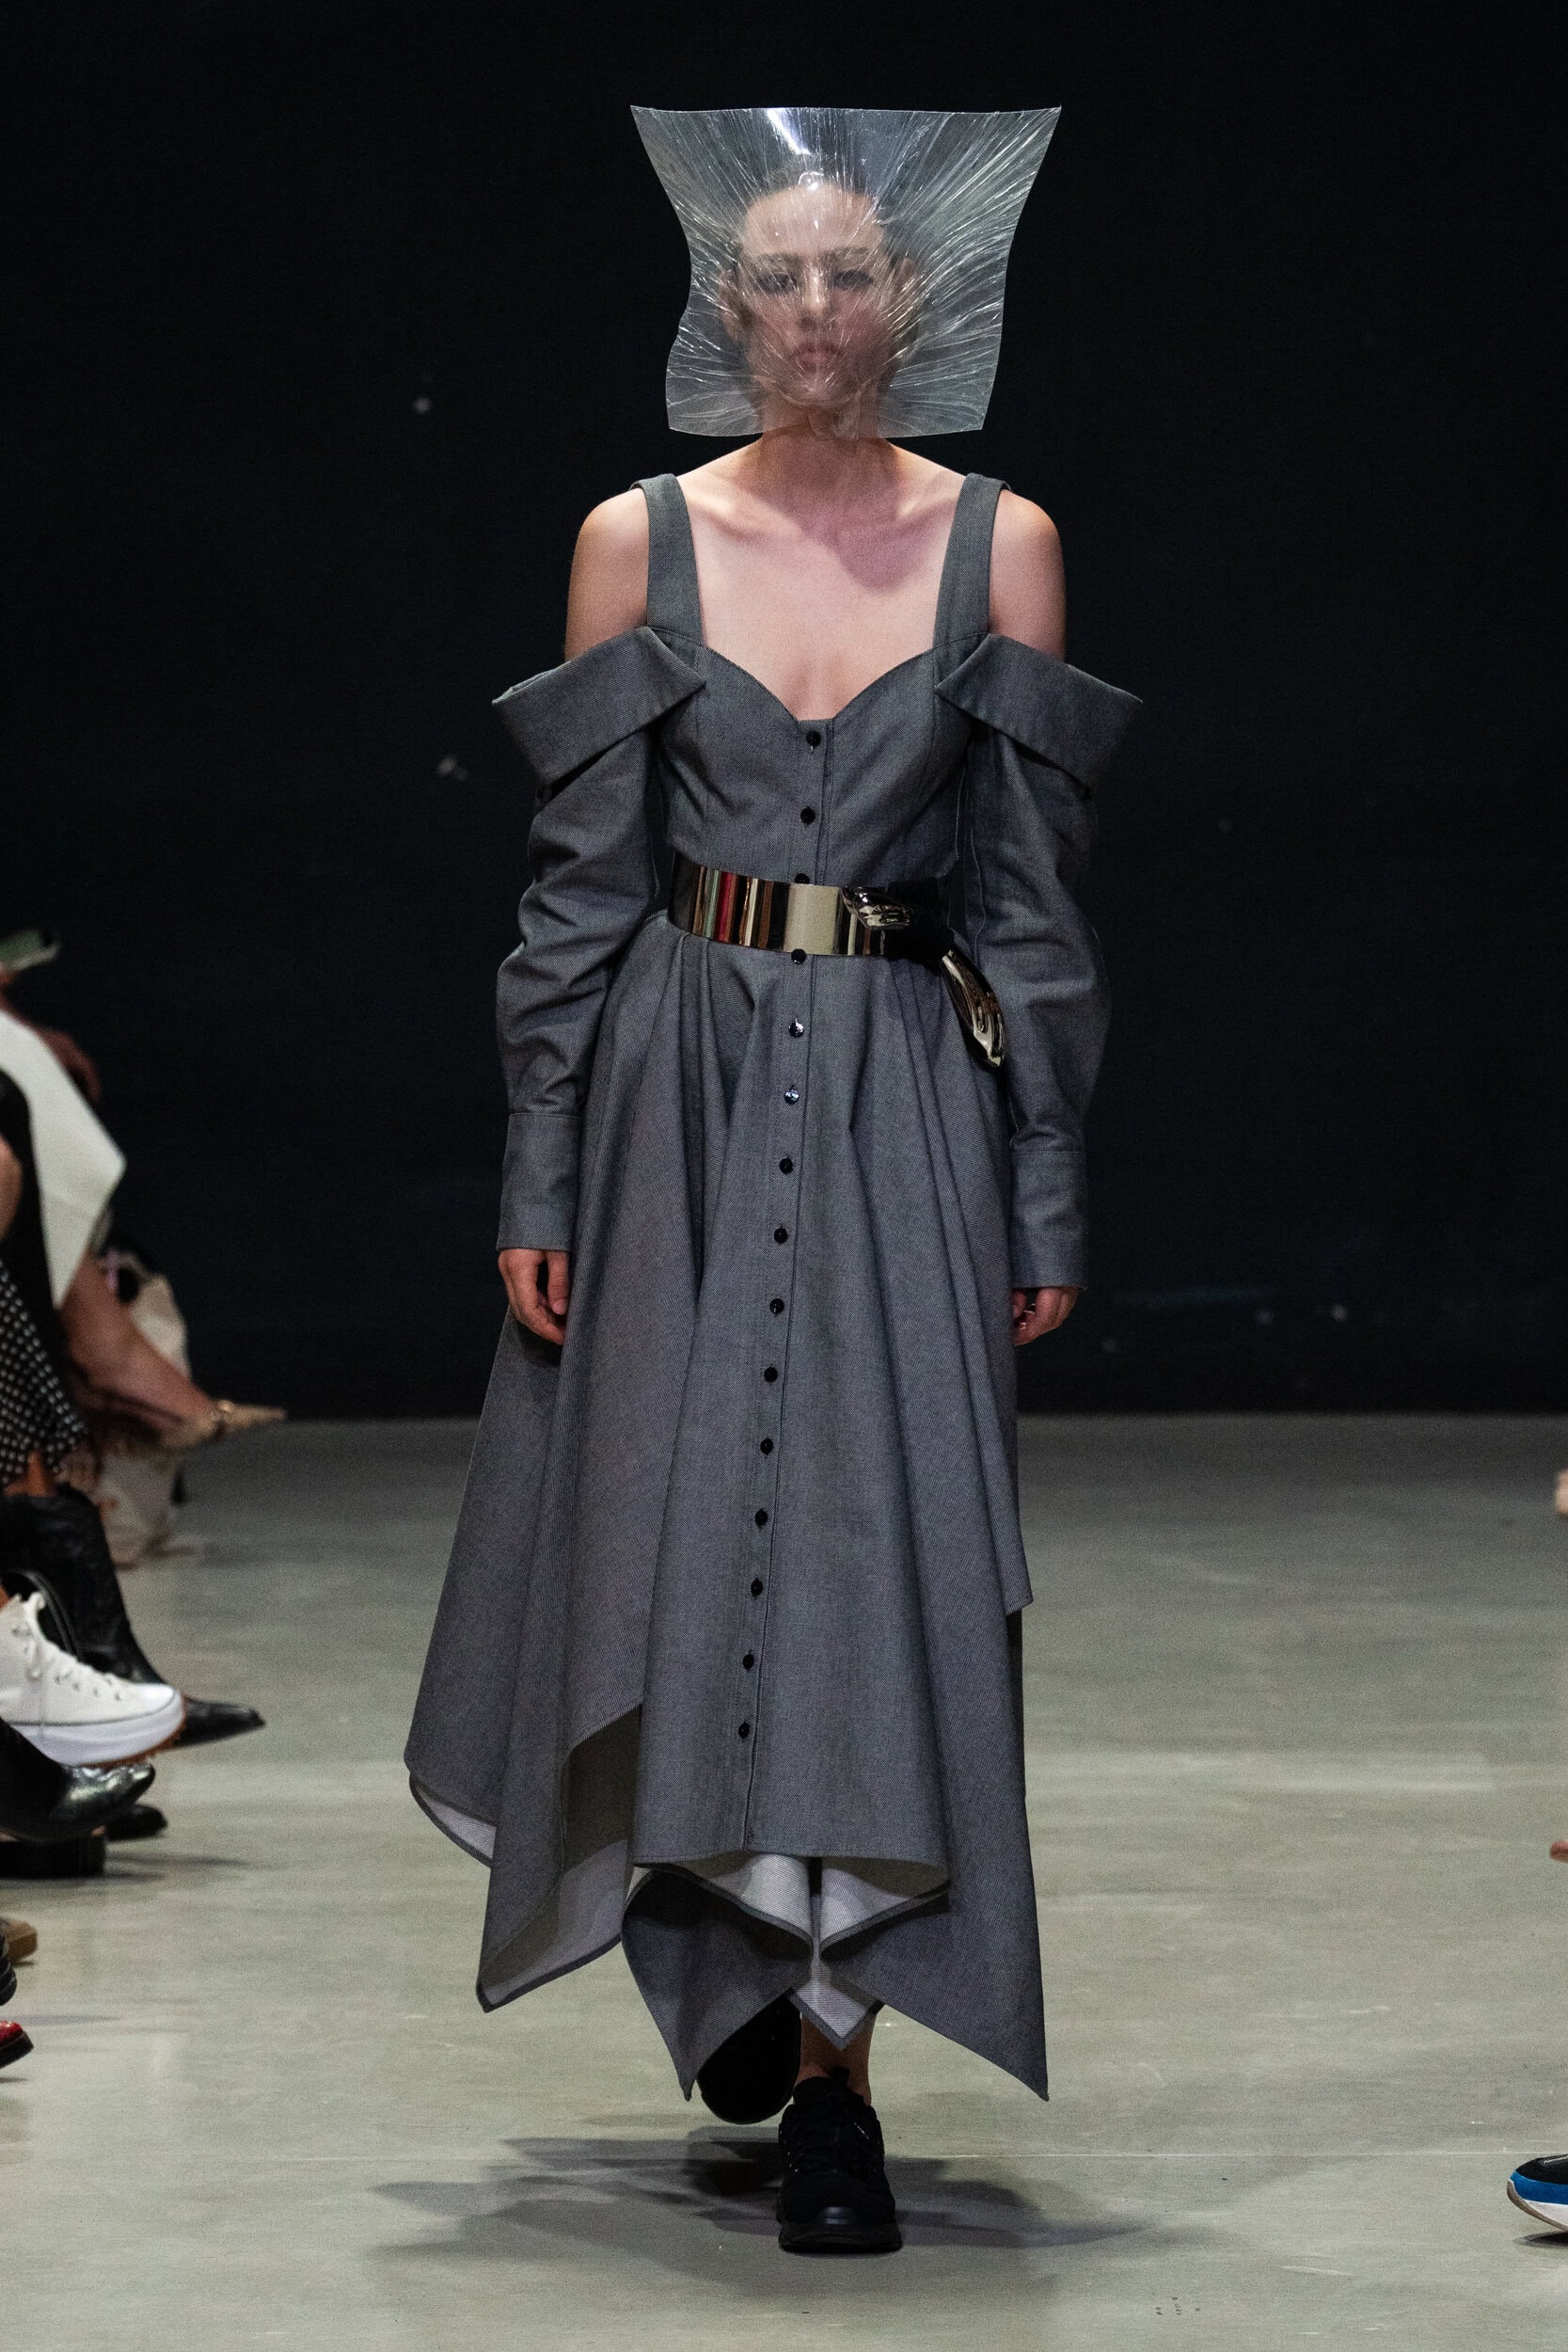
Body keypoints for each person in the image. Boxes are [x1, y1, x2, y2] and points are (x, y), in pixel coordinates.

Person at [407, 104, 1139, 2254]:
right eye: (780, 276)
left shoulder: (1002, 543)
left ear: (917, 298)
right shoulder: (635, 540)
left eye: (853, 274)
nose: (817, 311)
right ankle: (738, 1940)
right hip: (681, 1094)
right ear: (724, 307)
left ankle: (835, 2076)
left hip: (906, 1089)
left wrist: (1045, 1184)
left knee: (875, 1560)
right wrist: (541, 1163)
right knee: (667, 1531)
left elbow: (1035, 911)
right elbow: (573, 893)